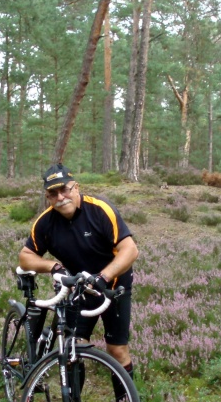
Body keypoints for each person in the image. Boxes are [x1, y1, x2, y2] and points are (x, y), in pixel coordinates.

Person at [18, 163, 139, 384]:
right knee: (73, 347)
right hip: (78, 287)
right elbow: (25, 256)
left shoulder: (100, 210)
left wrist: (103, 277)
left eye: (65, 189)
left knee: (117, 349)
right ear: (47, 197)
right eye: (53, 193)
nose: (60, 197)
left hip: (113, 284)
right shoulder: (45, 222)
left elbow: (130, 250)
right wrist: (53, 267)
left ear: (76, 188)